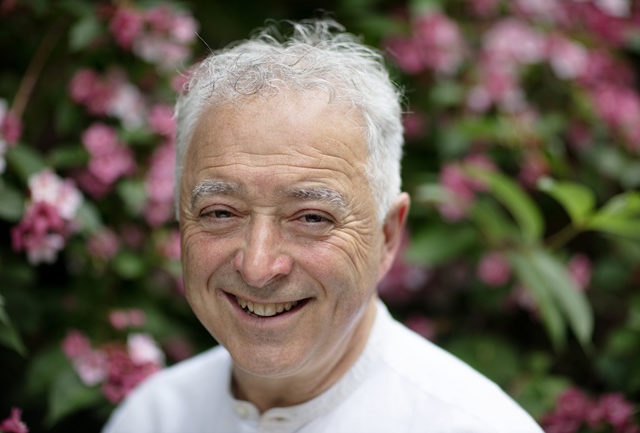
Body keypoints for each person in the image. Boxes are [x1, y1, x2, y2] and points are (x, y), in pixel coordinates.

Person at [103, 18, 543, 433]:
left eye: (312, 217)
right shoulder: (152, 418)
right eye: (221, 213)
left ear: (387, 235)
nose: (257, 267)